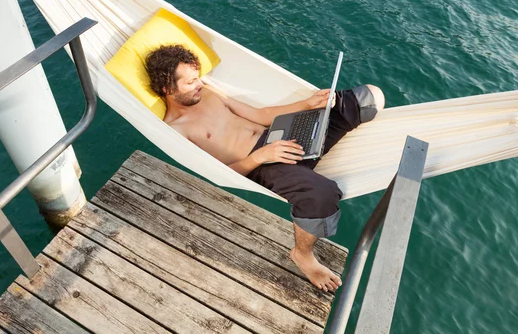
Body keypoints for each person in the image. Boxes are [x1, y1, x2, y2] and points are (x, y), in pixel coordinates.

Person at [145, 44, 385, 291]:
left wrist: (308, 104)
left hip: (282, 136)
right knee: (322, 193)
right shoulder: (176, 130)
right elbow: (220, 174)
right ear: (167, 88)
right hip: (263, 165)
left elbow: (261, 115)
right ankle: (302, 254)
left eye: (198, 78)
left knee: (368, 98)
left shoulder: (208, 94)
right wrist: (261, 156)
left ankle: (305, 163)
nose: (200, 84)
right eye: (191, 82)